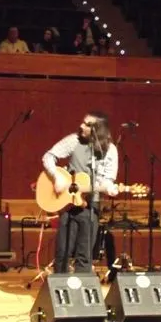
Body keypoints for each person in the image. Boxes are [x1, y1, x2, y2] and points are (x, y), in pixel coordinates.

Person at [42, 111, 119, 274]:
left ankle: (81, 292)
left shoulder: (110, 150)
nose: (81, 126)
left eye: (87, 124)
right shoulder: (74, 140)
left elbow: (106, 180)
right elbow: (48, 156)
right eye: (83, 122)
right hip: (68, 203)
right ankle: (61, 291)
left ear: (98, 129)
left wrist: (109, 187)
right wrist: (57, 177)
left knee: (85, 255)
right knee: (63, 252)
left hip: (91, 205)